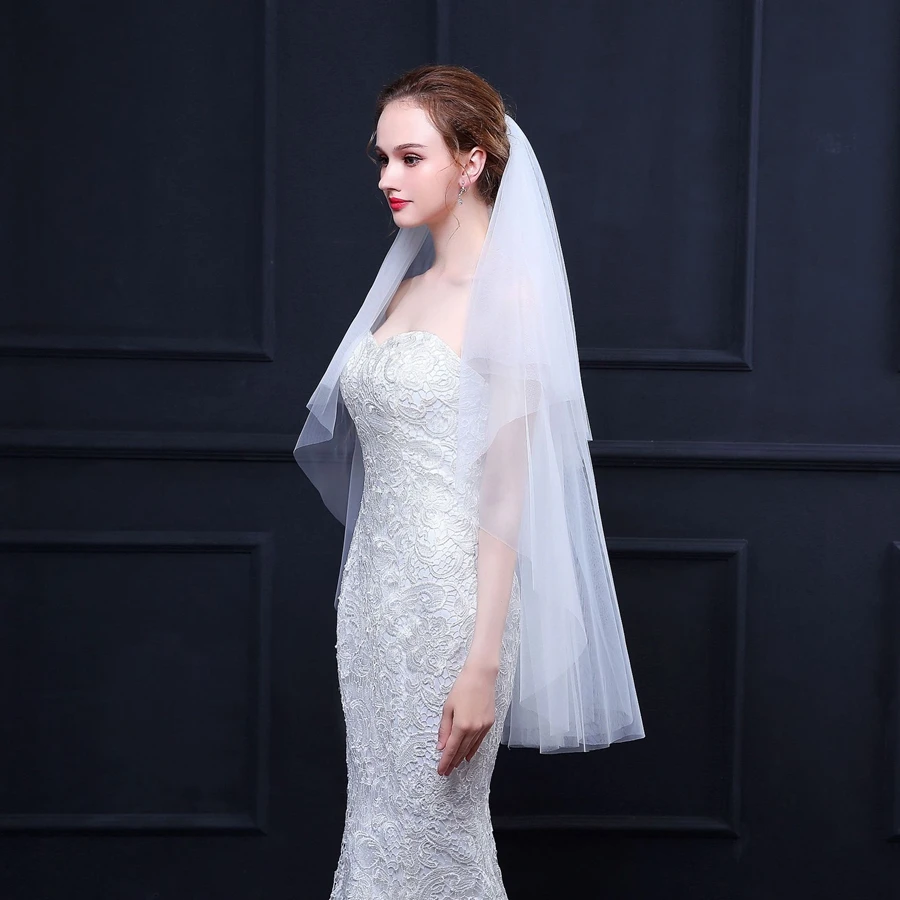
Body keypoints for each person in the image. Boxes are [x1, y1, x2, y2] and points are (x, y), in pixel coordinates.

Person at [294, 64, 644, 900]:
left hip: (455, 607)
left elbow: (507, 493)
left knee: (434, 831)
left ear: (472, 160)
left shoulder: (510, 296)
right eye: (382, 158)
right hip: (374, 604)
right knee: (377, 822)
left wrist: (482, 661)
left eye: (410, 157)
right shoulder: (405, 290)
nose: (387, 176)